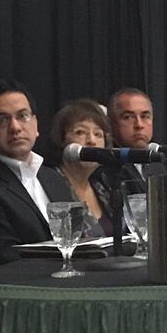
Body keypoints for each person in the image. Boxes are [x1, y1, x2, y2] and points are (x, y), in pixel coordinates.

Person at [0, 79, 74, 267]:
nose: (15, 127)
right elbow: (2, 256)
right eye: (2, 120)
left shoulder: (53, 178)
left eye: (23, 116)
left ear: (36, 124)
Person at [47, 99, 115, 236]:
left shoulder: (102, 188)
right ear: (62, 139)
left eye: (98, 134)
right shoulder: (49, 184)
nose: (91, 141)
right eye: (80, 132)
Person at [106, 87, 167, 181]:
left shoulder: (157, 166)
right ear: (111, 123)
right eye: (128, 117)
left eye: (145, 116)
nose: (139, 125)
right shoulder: (108, 166)